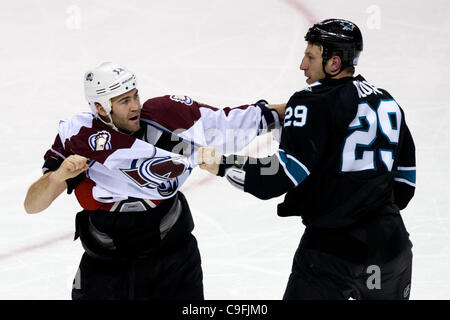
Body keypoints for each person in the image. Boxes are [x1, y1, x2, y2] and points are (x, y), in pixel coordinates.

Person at [23, 62, 284, 300]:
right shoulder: (78, 136)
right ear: (101, 108)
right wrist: (58, 176)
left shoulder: (170, 115)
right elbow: (32, 205)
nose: (135, 105)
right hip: (106, 265)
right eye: (124, 101)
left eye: (135, 95)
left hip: (173, 259)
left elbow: (241, 120)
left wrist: (306, 106)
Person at [198, 19, 415, 300]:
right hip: (389, 251)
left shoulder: (312, 101)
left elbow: (279, 177)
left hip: (332, 255)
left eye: (310, 57)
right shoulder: (388, 102)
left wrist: (225, 165)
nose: (302, 65)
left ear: (334, 63)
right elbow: (405, 185)